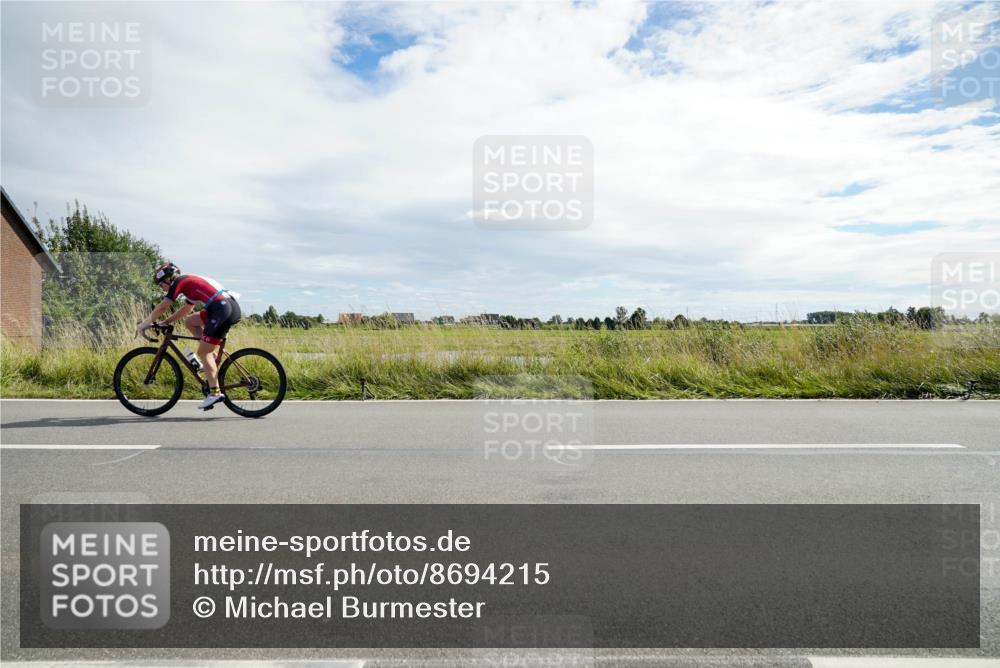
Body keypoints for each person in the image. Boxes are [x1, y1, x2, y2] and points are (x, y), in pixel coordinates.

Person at [137, 262, 242, 410]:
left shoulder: (180, 282)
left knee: (203, 352)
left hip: (222, 309)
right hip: (224, 307)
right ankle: (209, 357)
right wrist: (165, 322)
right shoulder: (188, 285)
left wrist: (145, 323)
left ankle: (215, 393)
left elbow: (163, 305)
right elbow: (187, 308)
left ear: (168, 279)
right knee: (190, 322)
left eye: (161, 285)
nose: (162, 289)